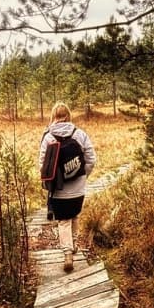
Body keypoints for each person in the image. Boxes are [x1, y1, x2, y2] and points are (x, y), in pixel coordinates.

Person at [39, 102, 96, 272]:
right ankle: (75, 243)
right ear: (68, 115)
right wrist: (82, 176)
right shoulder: (80, 134)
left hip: (58, 188)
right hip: (78, 189)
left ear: (53, 116)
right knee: (75, 215)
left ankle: (67, 254)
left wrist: (50, 182)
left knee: (63, 221)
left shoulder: (48, 137)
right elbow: (91, 159)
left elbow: (42, 164)